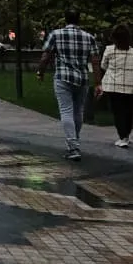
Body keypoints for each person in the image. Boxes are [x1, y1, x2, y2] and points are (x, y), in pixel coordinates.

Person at [37, 10, 101, 161]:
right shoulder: (89, 37)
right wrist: (98, 82)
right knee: (78, 111)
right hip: (82, 78)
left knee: (66, 111)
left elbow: (46, 55)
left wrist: (40, 71)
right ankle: (74, 142)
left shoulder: (56, 34)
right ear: (79, 19)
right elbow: (95, 61)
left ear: (65, 19)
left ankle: (73, 147)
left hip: (62, 77)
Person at [96, 24, 133, 148]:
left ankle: (122, 136)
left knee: (118, 111)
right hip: (131, 85)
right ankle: (126, 135)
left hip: (113, 85)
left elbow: (103, 65)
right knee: (128, 111)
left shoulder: (109, 49)